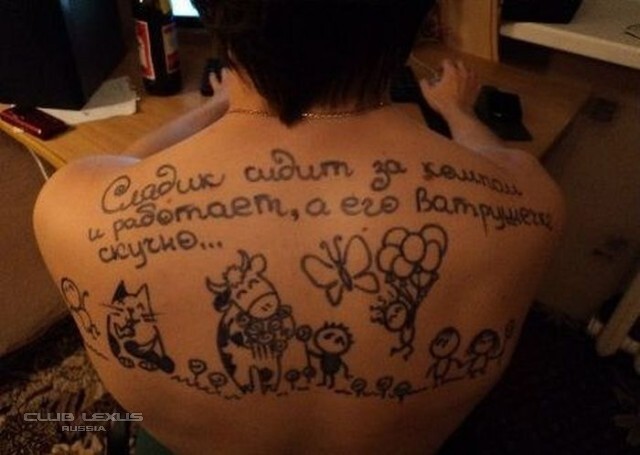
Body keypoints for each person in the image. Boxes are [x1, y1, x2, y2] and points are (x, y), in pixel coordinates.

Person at [34, 0, 565, 453]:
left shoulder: (72, 208)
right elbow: (499, 162)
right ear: (419, 17)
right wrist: (459, 112)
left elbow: (124, 169)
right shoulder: (531, 204)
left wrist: (216, 108)